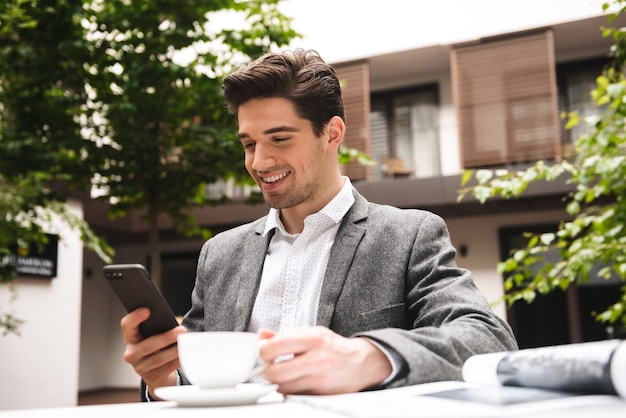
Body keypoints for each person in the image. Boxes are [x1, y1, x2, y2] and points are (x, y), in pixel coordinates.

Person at [120, 48, 518, 400]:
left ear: (332, 134)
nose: (258, 162)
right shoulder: (220, 255)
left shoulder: (408, 235)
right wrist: (163, 378)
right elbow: (193, 380)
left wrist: (371, 356)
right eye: (249, 144)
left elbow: (488, 339)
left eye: (279, 139)